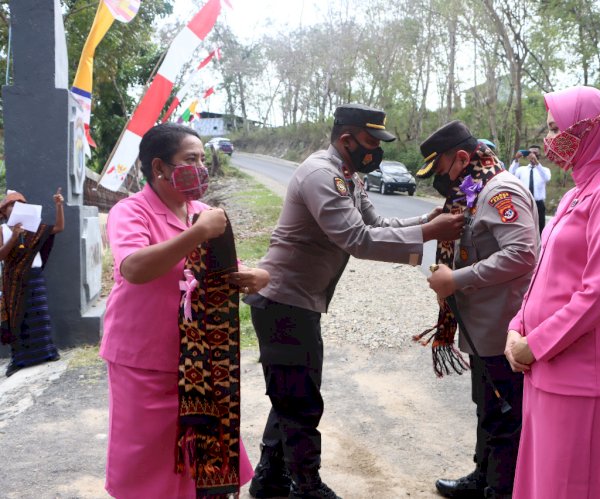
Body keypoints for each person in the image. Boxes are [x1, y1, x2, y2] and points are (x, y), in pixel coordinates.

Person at [246, 103, 463, 499]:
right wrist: (429, 234)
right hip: (282, 301)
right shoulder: (321, 175)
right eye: (370, 142)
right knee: (301, 400)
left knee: (290, 393)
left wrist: (422, 221)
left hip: (298, 301)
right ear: (346, 140)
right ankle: (305, 486)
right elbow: (357, 240)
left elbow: (376, 225)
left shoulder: (347, 175)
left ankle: (270, 479)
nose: (375, 151)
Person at [100, 123, 265, 498]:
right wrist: (196, 233)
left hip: (200, 357)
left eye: (202, 159)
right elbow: (134, 268)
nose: (201, 168)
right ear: (159, 168)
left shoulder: (205, 213)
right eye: (191, 159)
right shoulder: (131, 211)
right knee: (147, 457)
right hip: (143, 357)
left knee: (201, 444)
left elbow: (224, 272)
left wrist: (256, 275)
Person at [504, 86, 600, 499]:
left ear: (590, 130)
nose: (549, 141)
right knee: (542, 481)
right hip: (546, 363)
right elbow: (545, 271)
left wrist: (537, 343)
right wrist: (518, 327)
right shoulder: (575, 192)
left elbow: (599, 291)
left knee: (570, 486)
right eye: (548, 130)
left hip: (583, 370)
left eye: (556, 129)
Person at [416, 121, 539, 498]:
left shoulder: (501, 191)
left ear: (464, 159)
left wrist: (458, 279)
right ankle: (482, 476)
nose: (440, 179)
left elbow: (523, 253)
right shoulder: (475, 188)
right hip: (482, 325)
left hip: (502, 325)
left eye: (441, 170)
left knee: (505, 415)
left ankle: (500, 489)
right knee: (487, 407)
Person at [0, 189, 64, 377]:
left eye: (20, 204)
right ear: (4, 212)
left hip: (34, 278)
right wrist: (13, 236)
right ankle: (18, 360)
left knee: (39, 317)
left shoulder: (35, 228)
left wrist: (59, 205)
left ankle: (47, 353)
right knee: (17, 320)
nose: (15, 208)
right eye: (11, 205)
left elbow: (59, 228)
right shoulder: (2, 229)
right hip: (13, 282)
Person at [508, 146, 551, 233]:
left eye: (535, 153)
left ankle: (540, 245)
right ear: (527, 155)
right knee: (523, 226)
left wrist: (537, 163)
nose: (533, 155)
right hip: (524, 201)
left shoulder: (545, 170)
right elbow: (510, 174)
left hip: (539, 203)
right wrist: (516, 159)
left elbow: (547, 178)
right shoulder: (521, 169)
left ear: (539, 155)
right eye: (530, 153)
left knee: (540, 227)